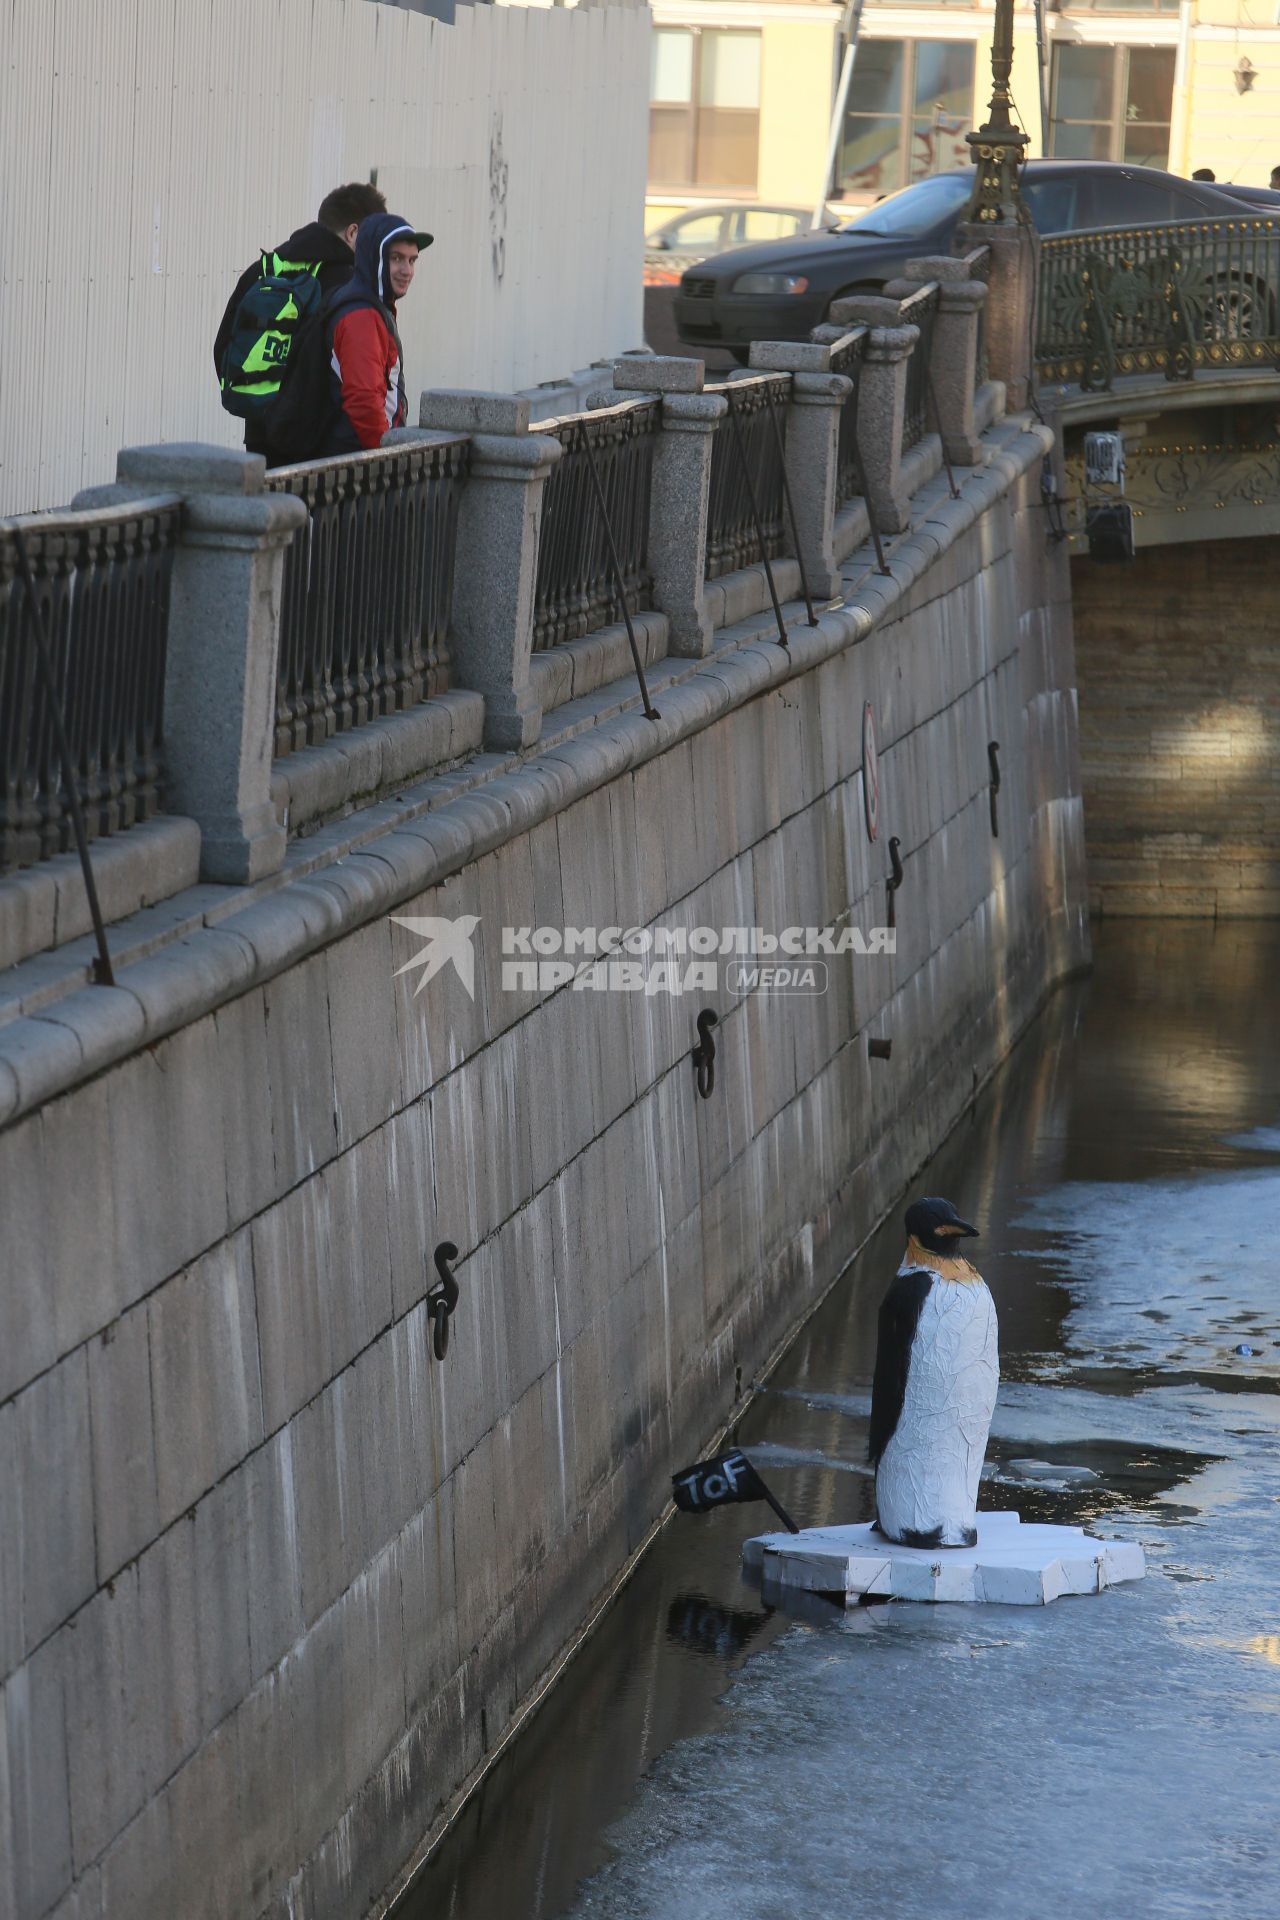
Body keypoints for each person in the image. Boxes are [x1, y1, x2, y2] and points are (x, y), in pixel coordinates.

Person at [213, 181, 387, 449]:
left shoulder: (264, 269)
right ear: (353, 233)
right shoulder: (347, 285)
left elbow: (222, 345)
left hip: (259, 439)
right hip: (316, 446)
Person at [322, 213, 432, 454]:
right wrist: (387, 460)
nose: (407, 271)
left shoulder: (370, 305)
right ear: (373, 257)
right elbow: (364, 402)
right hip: (357, 464)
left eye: (412, 261)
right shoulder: (361, 315)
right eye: (396, 258)